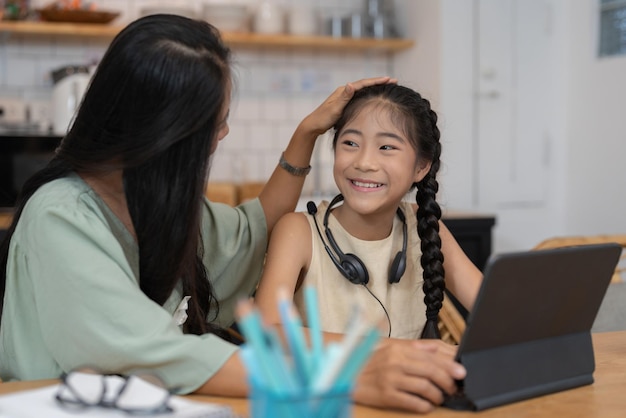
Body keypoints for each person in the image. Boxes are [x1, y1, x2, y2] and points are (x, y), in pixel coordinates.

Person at [0, 13, 394, 398]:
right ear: (169, 134)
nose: (224, 133)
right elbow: (152, 353)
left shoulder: (154, 204)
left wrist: (306, 132)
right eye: (216, 123)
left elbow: (252, 233)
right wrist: (350, 373)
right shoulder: (60, 216)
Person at [254, 83, 483, 412]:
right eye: (350, 143)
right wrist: (384, 350)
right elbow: (266, 336)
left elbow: (495, 314)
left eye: (386, 148)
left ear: (421, 167)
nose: (364, 162)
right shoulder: (298, 231)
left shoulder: (425, 226)